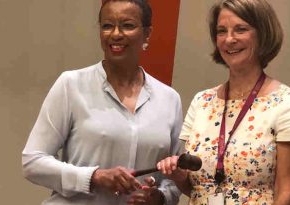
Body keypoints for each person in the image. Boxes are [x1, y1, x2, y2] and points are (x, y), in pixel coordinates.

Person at [22, 0, 182, 204]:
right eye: (107, 26)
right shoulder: (71, 85)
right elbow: (32, 162)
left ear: (147, 33)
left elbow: (174, 179)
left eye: (127, 25)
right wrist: (94, 177)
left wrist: (159, 197)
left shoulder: (169, 99)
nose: (115, 34)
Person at [156, 0, 290, 204]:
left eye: (240, 29)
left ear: (263, 34)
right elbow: (197, 188)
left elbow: (285, 194)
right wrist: (178, 177)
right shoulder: (202, 102)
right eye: (221, 31)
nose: (229, 39)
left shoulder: (289, 103)